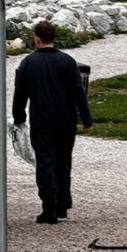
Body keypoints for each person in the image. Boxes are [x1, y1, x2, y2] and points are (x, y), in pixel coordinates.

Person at [12, 20, 93, 224]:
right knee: (63, 161)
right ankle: (63, 203)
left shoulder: (28, 63)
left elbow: (20, 93)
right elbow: (78, 92)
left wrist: (18, 116)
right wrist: (86, 117)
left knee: (45, 162)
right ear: (53, 38)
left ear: (36, 39)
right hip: (65, 119)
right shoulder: (67, 61)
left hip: (42, 119)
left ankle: (49, 205)